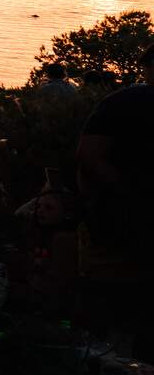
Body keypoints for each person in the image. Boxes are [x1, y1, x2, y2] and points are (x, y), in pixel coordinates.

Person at [76, 44, 154, 355]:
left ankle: (99, 371)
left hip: (119, 221)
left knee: (105, 301)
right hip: (127, 217)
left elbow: (88, 156)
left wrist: (128, 196)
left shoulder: (125, 101)